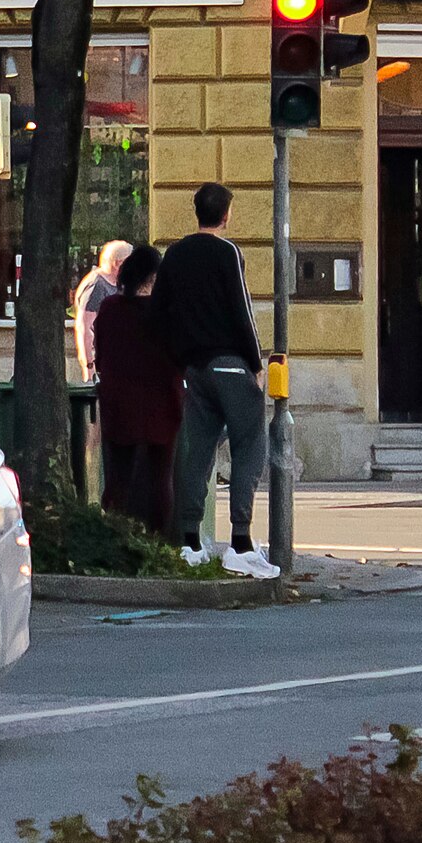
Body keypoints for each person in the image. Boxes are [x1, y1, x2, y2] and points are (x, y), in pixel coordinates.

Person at [154, 182, 275, 576]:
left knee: (198, 452)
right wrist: (256, 364)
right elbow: (242, 309)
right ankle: (240, 542)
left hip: (194, 369)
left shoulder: (174, 254)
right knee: (249, 445)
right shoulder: (227, 253)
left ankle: (190, 539)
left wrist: (179, 360)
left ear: (196, 212)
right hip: (230, 363)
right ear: (226, 215)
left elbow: (160, 311)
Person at [91, 243, 181, 536]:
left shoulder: (110, 308)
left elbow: (101, 355)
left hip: (118, 404)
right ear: (154, 278)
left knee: (118, 478)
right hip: (162, 403)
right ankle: (158, 541)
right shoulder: (167, 313)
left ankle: (115, 537)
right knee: (160, 479)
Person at [72, 240, 131, 382]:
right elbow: (84, 328)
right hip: (104, 365)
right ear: (118, 263)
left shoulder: (118, 284)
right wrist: (89, 366)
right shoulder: (97, 285)